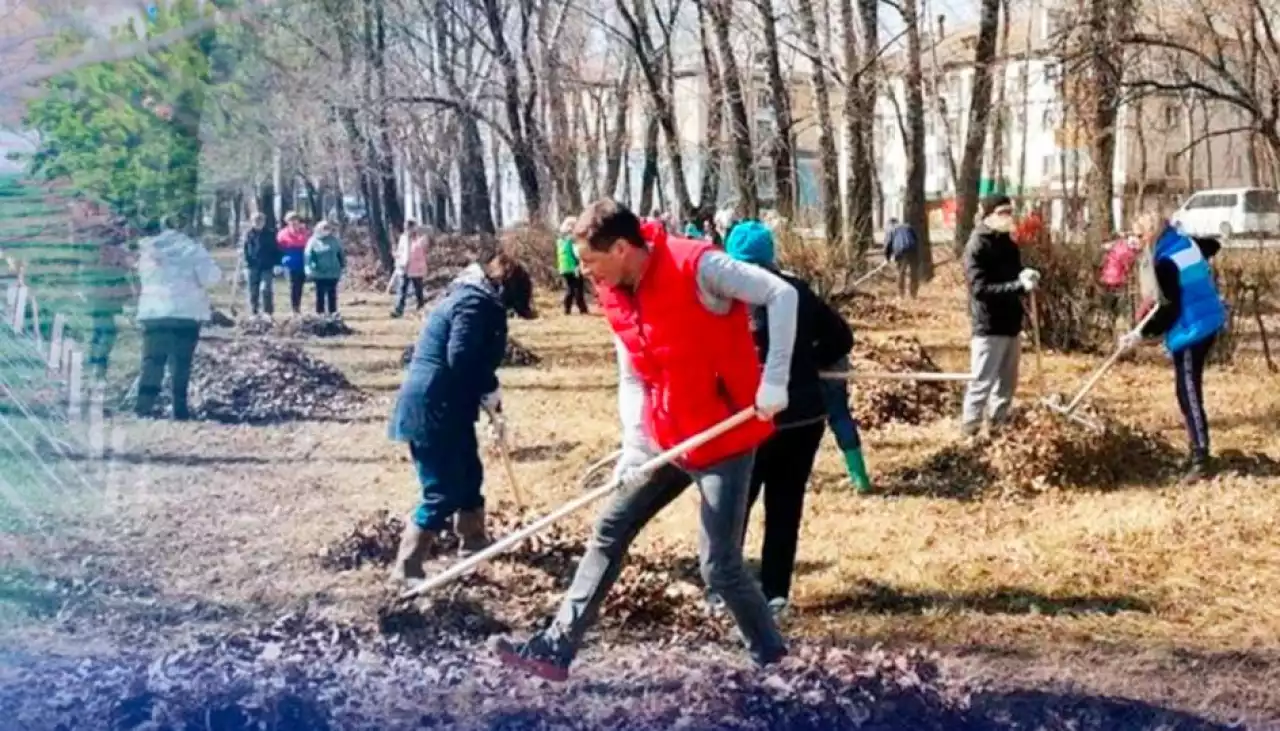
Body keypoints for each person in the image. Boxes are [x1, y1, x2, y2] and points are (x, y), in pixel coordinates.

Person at [490, 199, 795, 682]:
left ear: (623, 248)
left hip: (724, 436)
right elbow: (633, 376)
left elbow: (781, 294)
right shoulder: (614, 293)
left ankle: (776, 661)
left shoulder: (698, 265)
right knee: (611, 527)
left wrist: (773, 380)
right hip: (667, 436)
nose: (586, 271)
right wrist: (635, 445)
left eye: (591, 259)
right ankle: (555, 648)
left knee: (719, 568)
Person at [723, 220, 855, 612]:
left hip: (751, 420)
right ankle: (775, 591)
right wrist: (807, 363)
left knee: (734, 504)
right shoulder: (795, 290)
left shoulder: (728, 298)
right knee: (784, 504)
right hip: (801, 417)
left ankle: (725, 587)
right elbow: (840, 338)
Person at [388, 252, 536, 583]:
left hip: (451, 405)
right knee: (441, 490)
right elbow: (462, 358)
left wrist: (486, 394)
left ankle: (474, 541)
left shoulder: (475, 298)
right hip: (433, 407)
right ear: (503, 289)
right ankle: (407, 569)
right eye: (511, 306)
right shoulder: (474, 304)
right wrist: (489, 387)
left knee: (469, 473)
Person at [1119, 212, 1226, 484]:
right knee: (1185, 391)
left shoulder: (1166, 262)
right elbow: (1213, 246)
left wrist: (1140, 335)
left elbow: (1169, 309)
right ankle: (1196, 451)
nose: (1137, 241)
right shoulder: (1183, 243)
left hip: (1194, 327)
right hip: (1208, 319)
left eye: (1140, 235)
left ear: (1153, 234)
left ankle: (1201, 460)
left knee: (1188, 392)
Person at [961, 195, 1040, 438]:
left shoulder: (1007, 242)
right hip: (989, 324)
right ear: (988, 215)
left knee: (1007, 383)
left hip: (1011, 323)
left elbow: (1015, 273)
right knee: (982, 381)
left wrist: (1025, 275)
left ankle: (998, 426)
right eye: (1002, 212)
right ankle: (970, 429)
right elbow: (980, 290)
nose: (1008, 216)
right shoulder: (977, 245)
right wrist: (1017, 286)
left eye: (1010, 211)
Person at [133, 215, 222, 420]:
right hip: (185, 312)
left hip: (153, 311)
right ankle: (179, 409)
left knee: (151, 361)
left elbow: (142, 276)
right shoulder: (192, 249)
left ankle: (143, 406)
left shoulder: (148, 251)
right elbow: (212, 278)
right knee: (181, 362)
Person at [1099, 231, 1141, 332]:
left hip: (1107, 276)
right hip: (1117, 279)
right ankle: (1118, 323)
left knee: (1109, 301)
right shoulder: (1127, 252)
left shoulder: (1119, 246)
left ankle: (1107, 321)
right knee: (1120, 302)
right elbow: (1127, 267)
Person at [305, 221, 346, 316]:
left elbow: (340, 254)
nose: (326, 231)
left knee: (332, 294)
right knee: (320, 295)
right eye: (324, 228)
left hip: (333, 272)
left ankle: (333, 313)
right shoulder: (313, 241)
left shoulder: (334, 240)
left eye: (328, 229)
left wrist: (343, 267)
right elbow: (308, 256)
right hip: (319, 273)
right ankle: (320, 313)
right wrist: (309, 269)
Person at [242, 212, 278, 318]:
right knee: (253, 290)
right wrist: (246, 261)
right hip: (252, 266)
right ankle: (254, 312)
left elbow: (275, 250)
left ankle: (268, 313)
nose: (258, 223)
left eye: (260, 220)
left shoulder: (270, 234)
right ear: (252, 222)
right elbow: (244, 250)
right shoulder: (248, 234)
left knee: (266, 288)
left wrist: (277, 264)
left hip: (267, 266)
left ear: (264, 222)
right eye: (256, 221)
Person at [391, 219, 429, 317]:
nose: (407, 230)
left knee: (418, 290)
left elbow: (422, 250)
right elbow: (401, 251)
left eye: (409, 227)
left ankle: (421, 309)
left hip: (416, 269)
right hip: (404, 268)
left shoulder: (420, 238)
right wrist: (397, 256)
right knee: (402, 289)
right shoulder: (403, 238)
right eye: (406, 228)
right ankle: (399, 310)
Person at [277, 212, 310, 315]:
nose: (294, 222)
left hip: (303, 263)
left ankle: (298, 306)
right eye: (291, 220)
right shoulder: (282, 234)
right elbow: (278, 249)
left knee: (300, 286)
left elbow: (309, 245)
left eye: (295, 219)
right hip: (290, 264)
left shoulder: (305, 232)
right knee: (293, 285)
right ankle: (294, 308)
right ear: (287, 222)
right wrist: (279, 263)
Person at [556, 216, 589, 315]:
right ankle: (583, 309)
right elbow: (576, 253)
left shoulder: (560, 240)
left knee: (570, 288)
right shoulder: (573, 239)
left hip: (564, 268)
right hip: (574, 266)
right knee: (578, 288)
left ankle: (567, 309)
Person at [883, 217, 920, 299]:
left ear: (890, 224)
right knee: (914, 272)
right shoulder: (908, 226)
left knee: (901, 272)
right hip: (913, 249)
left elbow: (887, 245)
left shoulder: (891, 229)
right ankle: (913, 294)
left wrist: (887, 258)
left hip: (901, 251)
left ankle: (901, 294)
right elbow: (916, 239)